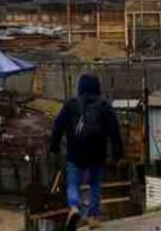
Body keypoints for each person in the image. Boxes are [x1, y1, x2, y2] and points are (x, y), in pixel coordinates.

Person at [49, 73, 123, 230]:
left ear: (80, 87)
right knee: (95, 183)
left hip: (75, 153)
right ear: (97, 87)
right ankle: (92, 216)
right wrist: (118, 153)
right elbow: (115, 131)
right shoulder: (104, 105)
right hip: (97, 153)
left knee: (73, 183)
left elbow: (58, 126)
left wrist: (54, 147)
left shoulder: (71, 104)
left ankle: (74, 207)